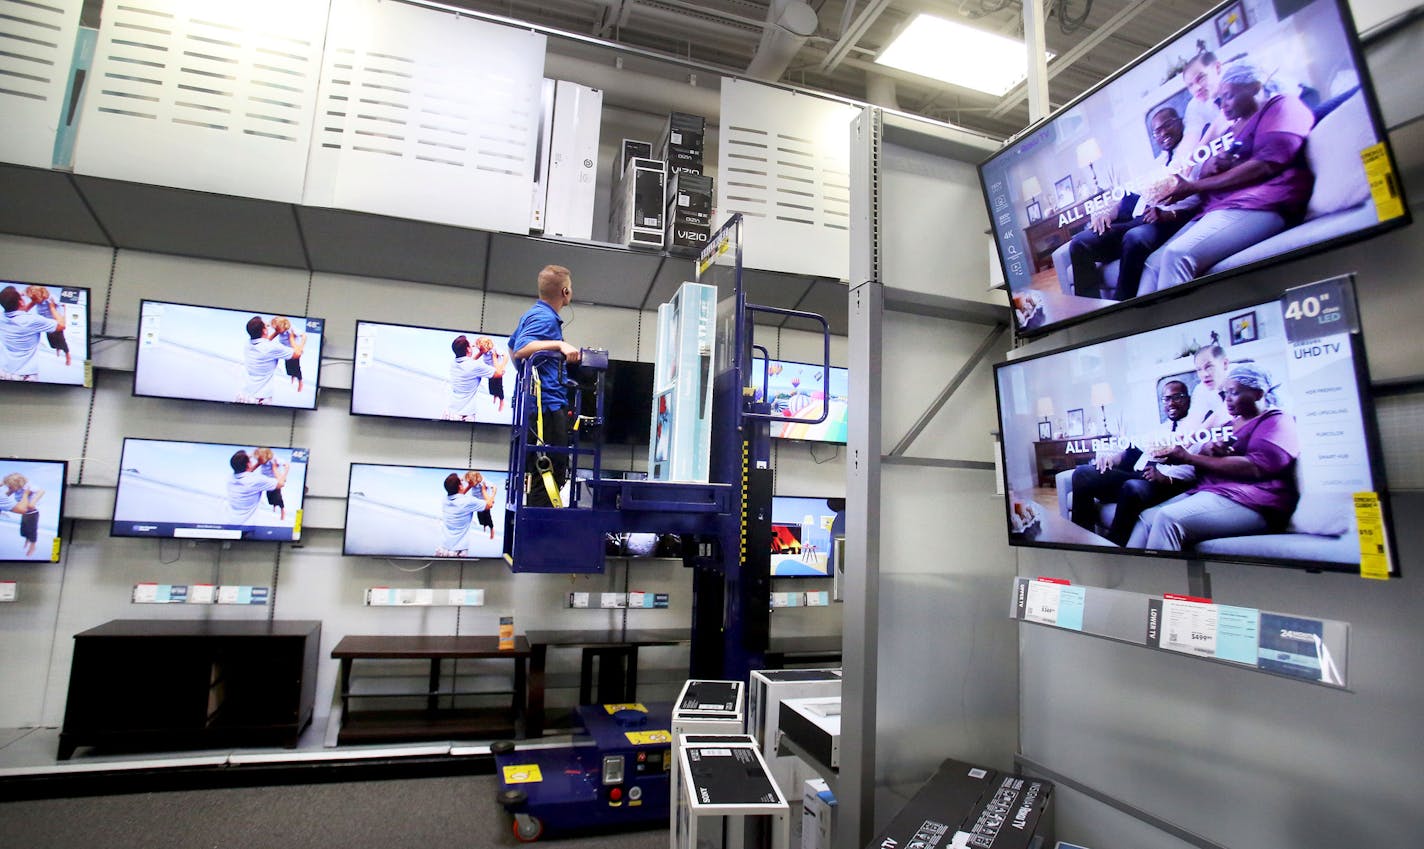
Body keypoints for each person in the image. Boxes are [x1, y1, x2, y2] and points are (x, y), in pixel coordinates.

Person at [1152, 63, 1316, 290]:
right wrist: (1213, 165)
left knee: (1176, 255)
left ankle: (1176, 327)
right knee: (1153, 264)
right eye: (1219, 99)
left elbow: (1264, 166)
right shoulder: (1235, 128)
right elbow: (1213, 163)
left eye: (1227, 96)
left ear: (1256, 87)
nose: (1222, 105)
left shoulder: (1283, 106)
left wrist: (1194, 186)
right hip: (1222, 205)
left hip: (1263, 203)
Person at [1132, 363, 1300, 551]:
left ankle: (1158, 580)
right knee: (1146, 518)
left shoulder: (1277, 421)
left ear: (1259, 394)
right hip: (1216, 491)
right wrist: (1208, 450)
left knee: (1168, 519)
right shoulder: (1231, 423)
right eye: (1224, 394)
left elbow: (1255, 468)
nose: (1227, 400)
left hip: (1254, 500)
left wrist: (1188, 457)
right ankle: (1130, 577)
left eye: (1233, 393)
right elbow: (1208, 462)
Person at [1065, 107, 1195, 300]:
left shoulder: (1194, 151)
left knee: (1134, 237)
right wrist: (1110, 212)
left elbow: (1197, 197)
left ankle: (1120, 305)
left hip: (1166, 220)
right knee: (1078, 244)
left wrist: (1167, 214)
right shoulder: (1157, 163)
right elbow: (1132, 195)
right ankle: (1088, 311)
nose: (1163, 133)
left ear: (1180, 122)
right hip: (1137, 217)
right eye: (1157, 131)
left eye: (1167, 125)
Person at [1067, 380, 1198, 546]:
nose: (1171, 403)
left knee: (1132, 487)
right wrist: (1111, 459)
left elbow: (1193, 469)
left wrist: (1164, 478)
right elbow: (1133, 452)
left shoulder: (1197, 428)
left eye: (1177, 397)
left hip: (1165, 483)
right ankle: (1081, 542)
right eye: (1166, 399)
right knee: (1082, 474)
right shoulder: (1161, 428)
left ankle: (1113, 545)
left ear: (1188, 399)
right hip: (1140, 474)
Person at [508, 265, 582, 507]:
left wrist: (526, 374)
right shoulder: (544, 318)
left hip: (541, 405)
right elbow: (520, 349)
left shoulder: (533, 314)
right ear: (565, 292)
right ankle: (538, 538)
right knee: (551, 471)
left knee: (546, 472)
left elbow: (511, 345)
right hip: (547, 408)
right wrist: (559, 346)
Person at [1, 285, 66, 381]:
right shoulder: (33, 320)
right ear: (21, 301)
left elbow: (18, 311)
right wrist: (61, 308)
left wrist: (33, 302)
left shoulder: (1, 317)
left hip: (4, 372)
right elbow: (61, 325)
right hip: (25, 376)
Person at [238, 315, 303, 404]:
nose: (268, 327)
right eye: (266, 326)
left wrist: (276, 332)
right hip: (259, 399)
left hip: (243, 395)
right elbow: (297, 354)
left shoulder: (248, 343)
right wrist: (291, 338)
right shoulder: (272, 348)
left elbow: (264, 342)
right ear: (264, 330)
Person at [224, 449, 289, 527]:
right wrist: (274, 468)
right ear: (248, 464)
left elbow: (246, 470)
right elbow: (281, 483)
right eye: (250, 460)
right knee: (276, 499)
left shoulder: (231, 478)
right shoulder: (256, 480)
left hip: (227, 522)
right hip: (245, 527)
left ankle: (279, 510)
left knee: (275, 499)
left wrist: (258, 462)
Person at [443, 335, 496, 421]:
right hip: (464, 416)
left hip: (449, 412)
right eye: (470, 345)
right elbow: (498, 373)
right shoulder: (474, 366)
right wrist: (495, 356)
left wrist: (481, 352)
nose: (472, 346)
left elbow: (470, 365)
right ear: (467, 349)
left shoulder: (454, 363)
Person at [1188, 340, 1232, 428]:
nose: (1204, 374)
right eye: (1199, 369)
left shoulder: (1239, 377)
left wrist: (1194, 435)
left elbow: (1224, 413)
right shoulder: (1201, 388)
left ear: (1225, 364)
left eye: (1209, 367)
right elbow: (1193, 419)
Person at [436, 472, 481, 556]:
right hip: (458, 552)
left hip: (443, 549)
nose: (462, 480)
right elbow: (489, 504)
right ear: (460, 486)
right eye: (461, 481)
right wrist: (489, 490)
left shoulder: (445, 500)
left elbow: (459, 498)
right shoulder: (468, 501)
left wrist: (469, 486)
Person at [1, 472, 44, 558]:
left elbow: (41, 491)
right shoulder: (16, 488)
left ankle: (33, 546)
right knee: (24, 530)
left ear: (18, 483)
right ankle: (27, 539)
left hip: (32, 513)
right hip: (25, 513)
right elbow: (6, 494)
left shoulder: (28, 487)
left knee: (32, 530)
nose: (9, 488)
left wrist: (33, 502)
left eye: (10, 487)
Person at [25, 286, 70, 367]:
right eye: (32, 300)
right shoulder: (35, 300)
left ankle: (67, 354)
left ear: (41, 295)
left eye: (35, 300)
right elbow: (27, 306)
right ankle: (57, 347)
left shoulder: (51, 298)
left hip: (56, 322)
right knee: (51, 341)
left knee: (61, 340)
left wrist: (63, 317)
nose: (34, 302)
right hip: (46, 323)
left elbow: (63, 305)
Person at [271, 317, 304, 393]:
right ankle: (292, 376)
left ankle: (300, 382)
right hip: (286, 352)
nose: (276, 331)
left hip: (294, 351)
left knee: (296, 367)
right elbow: (270, 338)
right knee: (288, 367)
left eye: (277, 329)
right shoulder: (279, 331)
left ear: (283, 326)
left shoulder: (291, 330)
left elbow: (304, 336)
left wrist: (301, 347)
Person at [252, 447, 285, 521]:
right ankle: (274, 506)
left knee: (277, 496)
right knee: (269, 498)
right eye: (258, 460)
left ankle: (282, 511)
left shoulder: (273, 460)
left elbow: (285, 465)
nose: (258, 461)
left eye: (260, 459)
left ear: (266, 457)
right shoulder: (260, 461)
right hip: (266, 481)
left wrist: (283, 477)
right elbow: (253, 468)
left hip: (274, 481)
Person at [477, 336, 508, 413]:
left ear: (486, 346)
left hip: (497, 370)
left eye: (481, 349)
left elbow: (506, 356)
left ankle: (501, 401)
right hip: (490, 371)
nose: (480, 351)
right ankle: (495, 394)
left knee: (499, 386)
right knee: (491, 386)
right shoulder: (484, 351)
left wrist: (502, 367)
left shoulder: (495, 349)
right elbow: (477, 355)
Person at [466, 471, 498, 540]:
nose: (469, 484)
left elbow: (495, 487)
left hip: (485, 502)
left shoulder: (483, 482)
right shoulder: (472, 483)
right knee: (480, 516)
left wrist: (492, 497)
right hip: (478, 502)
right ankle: (484, 525)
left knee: (487, 516)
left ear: (476, 480)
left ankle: (491, 529)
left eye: (470, 483)